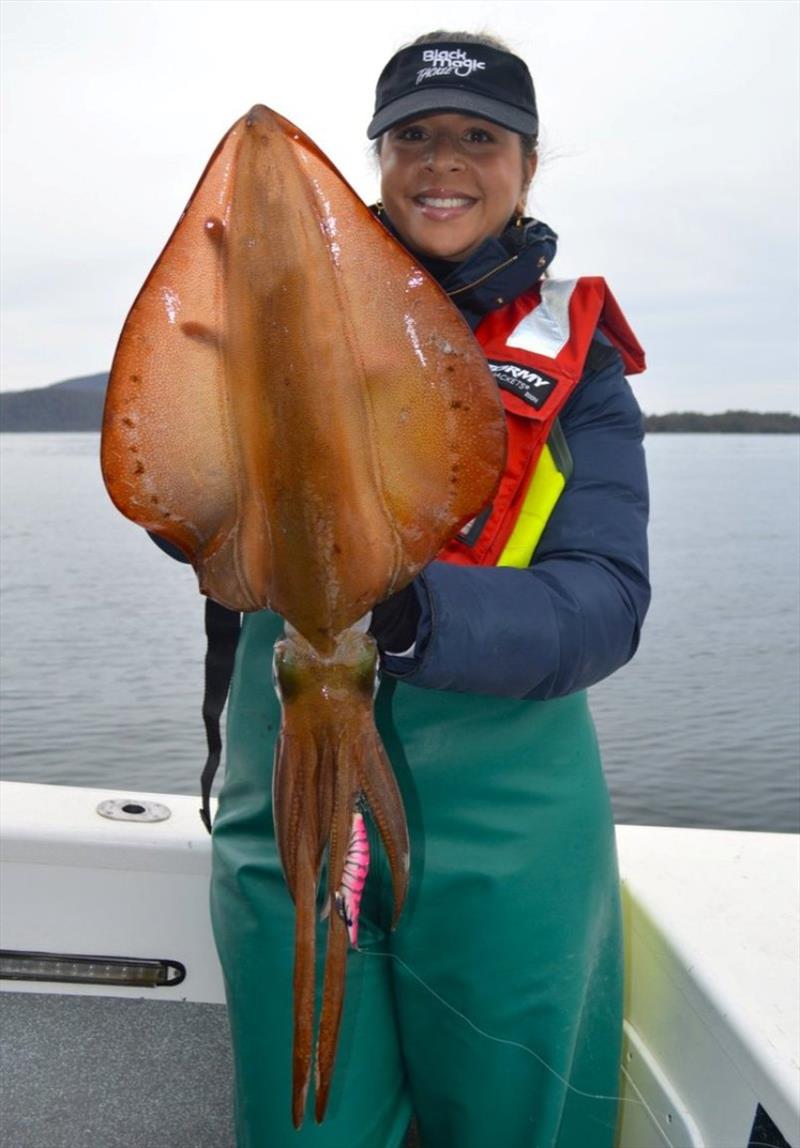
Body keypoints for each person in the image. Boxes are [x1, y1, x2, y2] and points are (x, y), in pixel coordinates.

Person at [208, 30, 650, 1148]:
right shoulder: (279, 323)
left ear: (525, 164)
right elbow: (208, 513)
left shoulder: (578, 364)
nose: (440, 162)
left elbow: (601, 597)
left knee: (511, 1104)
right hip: (293, 768)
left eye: (475, 138)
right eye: (412, 136)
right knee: (304, 1105)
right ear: (377, 156)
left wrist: (403, 614)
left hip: (510, 807)